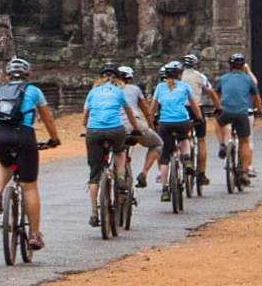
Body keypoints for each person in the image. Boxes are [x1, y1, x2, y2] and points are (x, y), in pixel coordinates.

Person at [0, 57, 61, 251]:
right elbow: (48, 119)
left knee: (6, 164)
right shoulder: (34, 91)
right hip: (23, 136)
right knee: (29, 187)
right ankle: (35, 235)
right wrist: (54, 139)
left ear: (8, 75)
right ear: (28, 75)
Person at [83, 63, 140, 227]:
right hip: (116, 130)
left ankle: (94, 214)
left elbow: (84, 119)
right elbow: (129, 113)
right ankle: (121, 178)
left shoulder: (92, 92)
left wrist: (89, 127)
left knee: (94, 175)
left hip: (93, 132)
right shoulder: (119, 92)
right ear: (117, 79)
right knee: (120, 152)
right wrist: (135, 129)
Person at [153, 60, 202, 202]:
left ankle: (165, 189)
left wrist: (152, 120)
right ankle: (186, 159)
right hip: (182, 121)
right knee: (184, 139)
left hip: (165, 123)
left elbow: (153, 107)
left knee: (164, 157)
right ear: (180, 75)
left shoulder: (160, 87)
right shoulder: (184, 86)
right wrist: (199, 118)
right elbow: (194, 105)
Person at [214, 53, 262, 186]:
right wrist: (259, 109)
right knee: (245, 141)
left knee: (217, 123)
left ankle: (222, 144)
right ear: (243, 66)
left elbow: (216, 94)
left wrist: (218, 107)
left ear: (230, 66)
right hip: (242, 113)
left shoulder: (223, 79)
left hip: (226, 112)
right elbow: (257, 98)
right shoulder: (248, 80)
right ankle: (245, 172)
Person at [117, 65, 163, 188]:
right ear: (130, 79)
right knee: (157, 144)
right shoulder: (135, 89)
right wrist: (151, 126)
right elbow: (147, 111)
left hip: (112, 125)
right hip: (134, 124)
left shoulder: (109, 90)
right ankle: (144, 173)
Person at [179, 54, 221, 186]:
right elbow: (211, 92)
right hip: (196, 108)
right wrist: (218, 107)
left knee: (182, 138)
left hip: (180, 110)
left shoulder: (178, 76)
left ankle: (183, 161)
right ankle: (202, 174)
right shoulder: (200, 76)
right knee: (201, 139)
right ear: (196, 65)